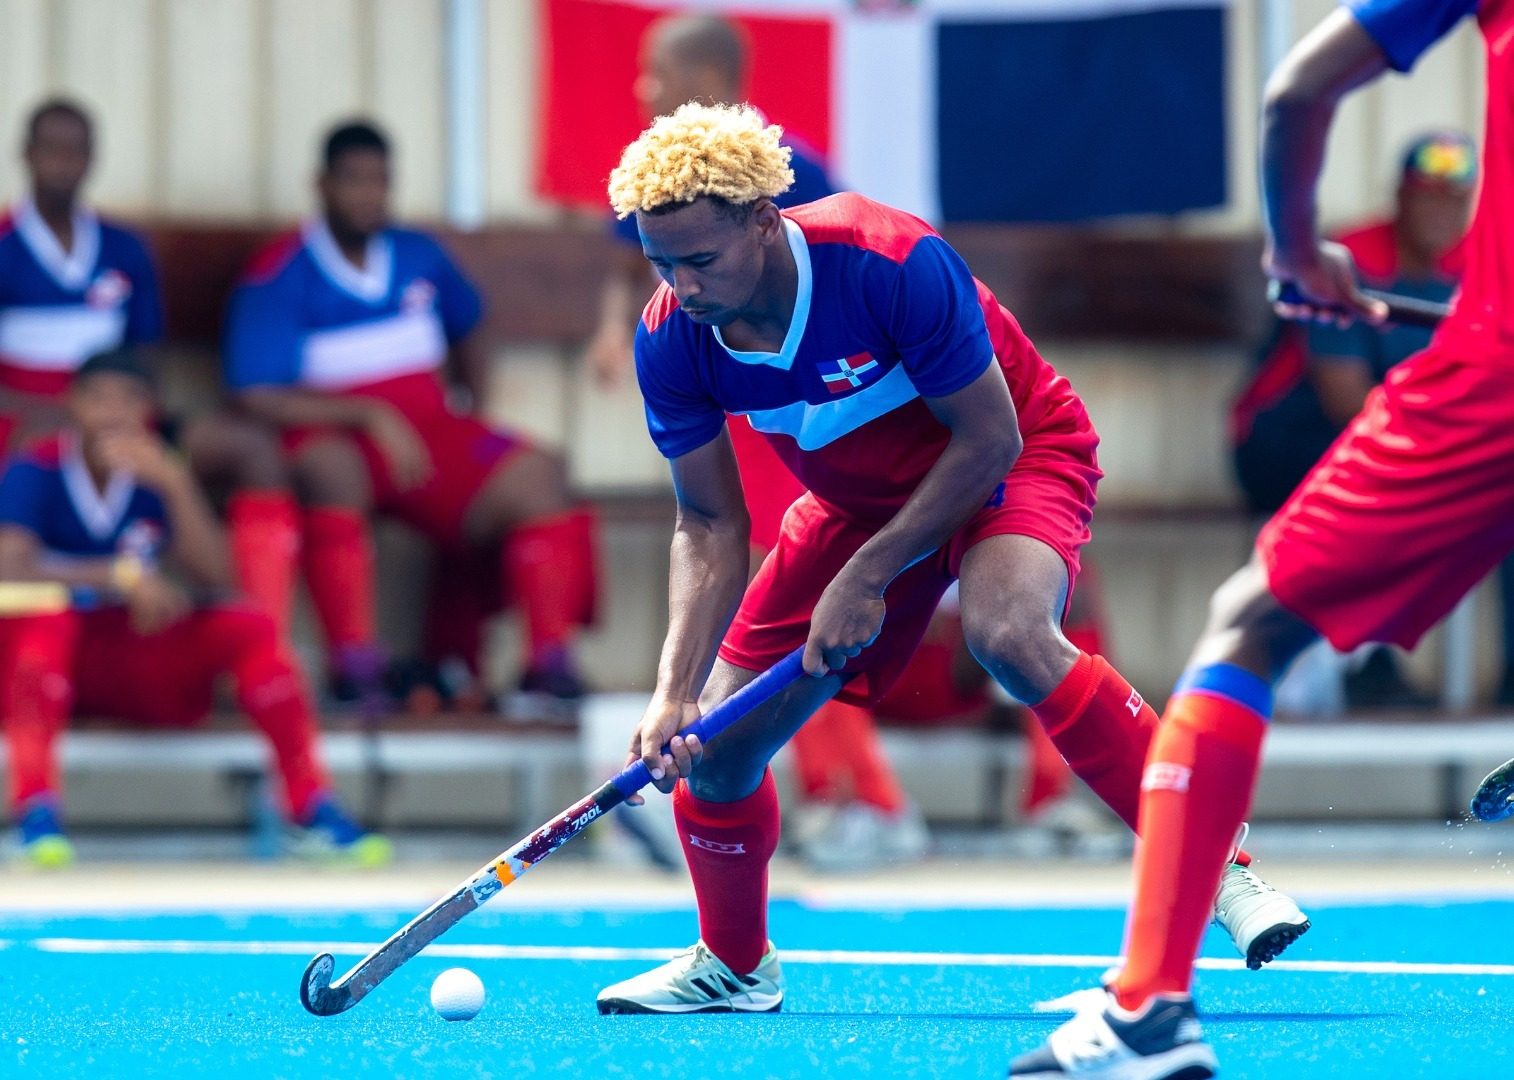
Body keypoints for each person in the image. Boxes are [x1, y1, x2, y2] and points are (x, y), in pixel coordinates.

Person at [589, 103, 1303, 1017]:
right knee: (719, 755)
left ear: (765, 220)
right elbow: (708, 523)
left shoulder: (888, 260)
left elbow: (988, 439)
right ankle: (733, 966)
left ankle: (1221, 871)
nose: (682, 289)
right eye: (661, 264)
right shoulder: (672, 337)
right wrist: (672, 690)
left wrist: (870, 574)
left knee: (1010, 630)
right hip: (856, 503)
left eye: (701, 261)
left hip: (1010, 457)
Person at [1014, 2, 1513, 1076]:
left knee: (1247, 628)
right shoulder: (1402, 248)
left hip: (1490, 378)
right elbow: (1330, 395)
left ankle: (1145, 1010)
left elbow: (1296, 90)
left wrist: (1293, 248)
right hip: (1298, 429)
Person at [582, 13, 920, 865]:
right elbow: (634, 259)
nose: (642, 91)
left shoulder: (796, 164)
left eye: (655, 74)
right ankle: (830, 793)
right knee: (761, 599)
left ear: (705, 74)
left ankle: (869, 800)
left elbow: (834, 276)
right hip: (743, 411)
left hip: (812, 412)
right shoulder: (658, 180)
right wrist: (611, 326)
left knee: (790, 598)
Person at [223, 121, 597, 710]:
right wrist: (366, 414)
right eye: (353, 180)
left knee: (542, 476)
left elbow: (471, 322)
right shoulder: (282, 270)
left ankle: (546, 664)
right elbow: (253, 392)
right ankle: (353, 664)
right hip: (334, 437)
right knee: (329, 468)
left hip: (429, 435)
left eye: (380, 181)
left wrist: (471, 403)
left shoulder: (418, 254)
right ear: (322, 184)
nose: (368, 195)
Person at [0, 350, 387, 868]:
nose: (113, 412)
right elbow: (9, 568)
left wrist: (178, 487)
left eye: (129, 398)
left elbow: (221, 580)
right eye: (98, 398)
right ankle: (34, 814)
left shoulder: (159, 472)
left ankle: (311, 807)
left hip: (135, 657)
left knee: (247, 626)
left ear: (152, 409)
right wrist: (116, 577)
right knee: (46, 619)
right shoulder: (38, 467)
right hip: (52, 666)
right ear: (73, 405)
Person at [0, 98, 302, 643]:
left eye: (77, 150)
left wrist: (136, 424)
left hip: (121, 415)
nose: (64, 163)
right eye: (52, 149)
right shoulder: (5, 243)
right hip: (25, 423)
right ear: (26, 154)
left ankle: (259, 639)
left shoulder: (123, 248)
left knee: (249, 449)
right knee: (42, 449)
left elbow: (146, 358)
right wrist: (61, 416)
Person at [1233, 131, 1474, 712]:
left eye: (1454, 197)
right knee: (1376, 474)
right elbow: (1346, 398)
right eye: (1427, 195)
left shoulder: (1476, 269)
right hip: (1281, 441)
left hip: (1406, 441)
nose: (1441, 211)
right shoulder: (1352, 258)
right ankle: (1361, 659)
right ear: (1400, 197)